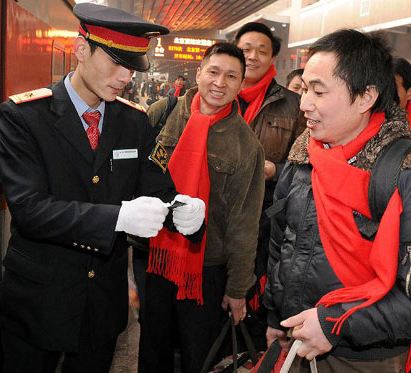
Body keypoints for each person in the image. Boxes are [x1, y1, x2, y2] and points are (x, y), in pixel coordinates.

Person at [0, 4, 205, 372]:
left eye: (132, 67)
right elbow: (30, 211)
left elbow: (156, 188)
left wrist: (182, 211)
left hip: (101, 307)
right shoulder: (23, 117)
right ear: (80, 49)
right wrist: (118, 218)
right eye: (115, 63)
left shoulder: (133, 122)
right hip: (37, 301)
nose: (125, 77)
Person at [263, 29, 411, 372]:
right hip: (297, 337)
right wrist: (276, 315)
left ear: (365, 97)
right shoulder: (303, 160)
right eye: (303, 89)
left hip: (364, 357)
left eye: (318, 91)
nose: (304, 104)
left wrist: (334, 324)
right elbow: (282, 244)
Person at [137, 42, 265, 373]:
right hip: (155, 256)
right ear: (199, 73)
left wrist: (238, 288)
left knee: (199, 355)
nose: (220, 83)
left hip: (205, 269)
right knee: (152, 349)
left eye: (231, 76)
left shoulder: (245, 145)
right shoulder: (163, 114)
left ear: (240, 84)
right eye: (213, 72)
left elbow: (244, 221)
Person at [234, 23, 306, 338]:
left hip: (265, 215)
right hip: (212, 211)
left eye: (262, 51)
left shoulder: (294, 105)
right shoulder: (216, 92)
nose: (252, 56)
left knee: (253, 291)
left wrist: (275, 170)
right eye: (246, 48)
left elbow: (304, 164)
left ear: (273, 57)